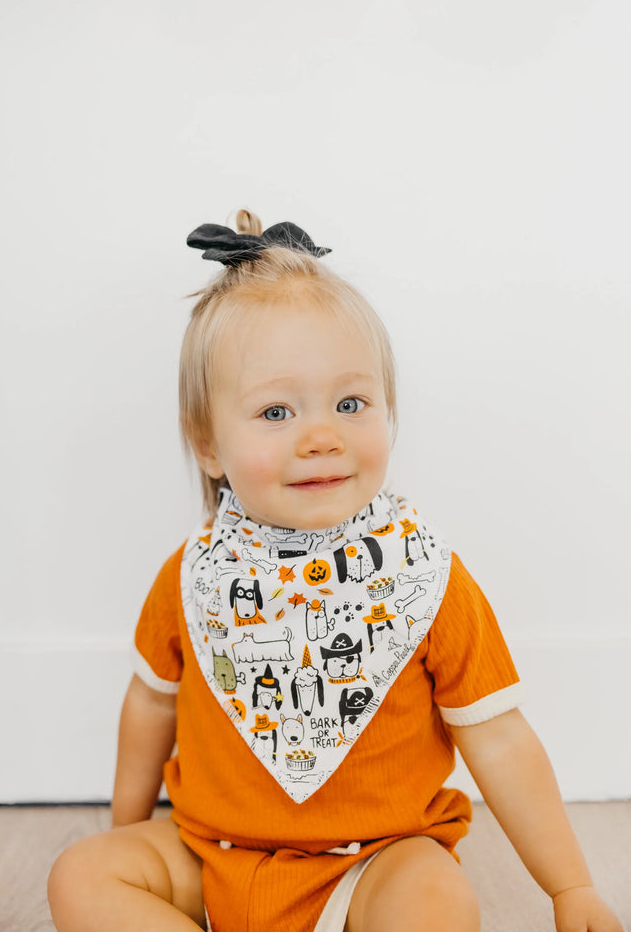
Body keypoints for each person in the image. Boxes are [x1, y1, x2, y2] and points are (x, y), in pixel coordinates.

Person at [48, 212, 623, 932]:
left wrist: (570, 887)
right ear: (207, 444)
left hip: (373, 862)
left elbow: (498, 736)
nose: (321, 437)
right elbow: (150, 705)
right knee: (80, 875)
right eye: (275, 411)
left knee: (437, 900)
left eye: (350, 404)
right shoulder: (195, 576)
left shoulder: (423, 576)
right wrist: (126, 830)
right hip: (209, 854)